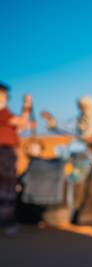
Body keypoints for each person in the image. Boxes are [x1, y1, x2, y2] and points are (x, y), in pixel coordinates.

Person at [0, 83, 33, 235]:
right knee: (6, 188)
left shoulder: (5, 113)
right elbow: (21, 122)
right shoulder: (3, 113)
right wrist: (26, 106)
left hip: (7, 152)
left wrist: (26, 109)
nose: (5, 97)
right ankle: (6, 224)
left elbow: (22, 126)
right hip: (4, 152)